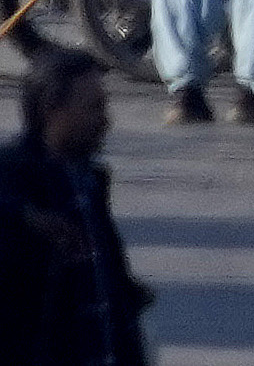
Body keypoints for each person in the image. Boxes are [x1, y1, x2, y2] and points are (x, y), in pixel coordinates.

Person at [0, 40, 148, 362]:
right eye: (93, 108)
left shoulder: (87, 182)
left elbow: (112, 297)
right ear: (52, 110)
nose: (106, 121)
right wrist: (26, 218)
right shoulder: (11, 177)